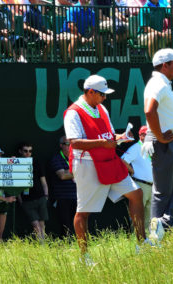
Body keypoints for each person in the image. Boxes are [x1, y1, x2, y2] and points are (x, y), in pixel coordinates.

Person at [63, 74, 146, 263]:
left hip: (109, 160)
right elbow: (74, 143)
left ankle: (142, 244)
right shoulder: (73, 112)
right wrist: (103, 142)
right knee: (83, 213)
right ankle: (84, 257)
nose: (105, 98)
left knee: (136, 194)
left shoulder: (101, 108)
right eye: (102, 94)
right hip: (86, 164)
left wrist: (120, 137)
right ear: (90, 92)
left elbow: (108, 135)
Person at [142, 48, 173, 244]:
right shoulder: (158, 84)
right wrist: (160, 136)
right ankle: (154, 239)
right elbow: (149, 111)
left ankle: (161, 225)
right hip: (164, 144)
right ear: (165, 65)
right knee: (162, 193)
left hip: (172, 144)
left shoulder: (162, 83)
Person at [121, 125, 153, 231]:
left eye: (149, 134)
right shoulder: (135, 148)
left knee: (151, 216)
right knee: (138, 214)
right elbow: (122, 161)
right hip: (141, 185)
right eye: (145, 134)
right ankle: (137, 239)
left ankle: (149, 240)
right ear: (140, 135)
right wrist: (132, 170)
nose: (147, 136)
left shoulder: (151, 147)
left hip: (153, 186)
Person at [18, 142, 49, 240]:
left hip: (40, 197)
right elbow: (16, 186)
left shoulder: (36, 162)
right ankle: (41, 245)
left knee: (42, 224)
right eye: (25, 151)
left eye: (30, 151)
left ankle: (43, 246)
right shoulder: (17, 163)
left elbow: (43, 181)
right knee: (35, 224)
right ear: (21, 152)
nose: (28, 153)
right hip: (27, 200)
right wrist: (20, 200)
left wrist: (46, 195)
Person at [48, 136, 77, 238]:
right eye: (67, 144)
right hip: (62, 197)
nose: (70, 146)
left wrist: (69, 172)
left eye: (71, 144)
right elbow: (62, 176)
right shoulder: (56, 158)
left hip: (77, 196)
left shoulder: (76, 157)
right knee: (66, 225)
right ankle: (66, 245)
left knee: (77, 223)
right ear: (61, 145)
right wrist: (78, 172)